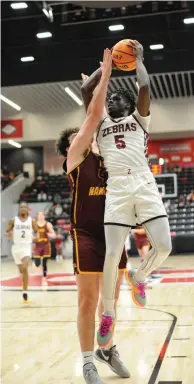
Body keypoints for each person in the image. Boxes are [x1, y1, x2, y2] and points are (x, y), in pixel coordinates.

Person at [81, 41, 172, 347]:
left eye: (119, 96)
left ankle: (140, 276)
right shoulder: (101, 122)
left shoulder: (139, 119)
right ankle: (108, 313)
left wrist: (138, 59)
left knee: (165, 246)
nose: (113, 98)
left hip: (144, 184)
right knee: (111, 254)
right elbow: (87, 91)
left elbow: (144, 84)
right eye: (111, 96)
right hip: (117, 188)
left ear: (130, 105)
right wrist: (106, 68)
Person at [56, 50, 129, 384]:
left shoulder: (109, 156)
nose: (84, 137)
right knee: (88, 299)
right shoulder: (74, 158)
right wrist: (105, 77)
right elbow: (94, 116)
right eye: (78, 136)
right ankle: (88, 360)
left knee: (109, 302)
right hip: (85, 233)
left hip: (113, 232)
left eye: (85, 135)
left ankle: (108, 348)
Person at [6, 202, 38, 303]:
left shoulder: (32, 221)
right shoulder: (13, 220)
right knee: (21, 271)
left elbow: (37, 232)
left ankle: (25, 291)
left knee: (24, 268)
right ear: (19, 209)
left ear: (28, 209)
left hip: (26, 247)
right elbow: (7, 231)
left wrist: (36, 237)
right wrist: (9, 233)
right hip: (16, 248)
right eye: (21, 207)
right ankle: (24, 284)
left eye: (25, 207)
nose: (23, 209)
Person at [33, 211, 56, 284]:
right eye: (39, 215)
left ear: (44, 216)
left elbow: (53, 234)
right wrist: (32, 238)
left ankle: (44, 276)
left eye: (42, 215)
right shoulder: (34, 224)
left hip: (45, 245)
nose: (40, 216)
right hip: (37, 245)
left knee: (44, 262)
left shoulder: (48, 224)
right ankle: (36, 266)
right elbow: (30, 234)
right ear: (37, 216)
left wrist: (50, 234)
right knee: (37, 263)